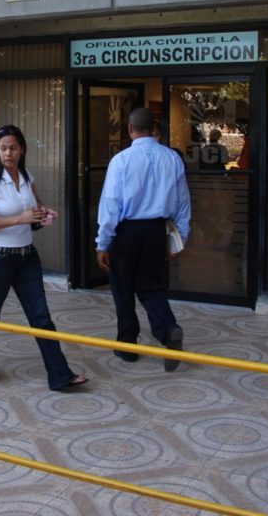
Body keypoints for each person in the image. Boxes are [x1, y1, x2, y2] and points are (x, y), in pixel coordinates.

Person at [0, 125, 88, 391]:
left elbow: (35, 207)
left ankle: (60, 375)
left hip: (26, 256)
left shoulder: (25, 175)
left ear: (22, 149)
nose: (8, 153)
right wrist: (18, 218)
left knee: (41, 316)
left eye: (13, 147)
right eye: (3, 148)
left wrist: (43, 213)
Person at [96, 107, 191, 371]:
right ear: (154, 129)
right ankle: (168, 329)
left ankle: (127, 346)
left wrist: (102, 243)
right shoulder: (172, 158)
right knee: (151, 286)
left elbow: (111, 205)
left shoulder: (121, 160)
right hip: (156, 231)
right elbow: (183, 203)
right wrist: (180, 237)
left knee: (122, 287)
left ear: (129, 129)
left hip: (127, 232)